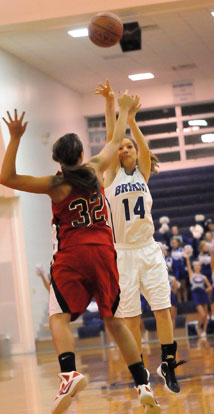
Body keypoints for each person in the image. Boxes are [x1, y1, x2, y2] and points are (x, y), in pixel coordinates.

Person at [0, 103, 161, 414]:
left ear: (58, 159)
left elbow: (6, 177)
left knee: (58, 317)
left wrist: (16, 137)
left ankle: (69, 374)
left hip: (73, 255)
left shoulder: (56, 184)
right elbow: (115, 140)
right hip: (104, 252)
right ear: (80, 153)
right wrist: (123, 108)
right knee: (114, 321)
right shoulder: (95, 169)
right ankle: (143, 383)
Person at [96, 80, 186, 394]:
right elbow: (111, 137)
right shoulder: (111, 175)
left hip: (148, 250)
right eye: (121, 147)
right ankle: (140, 376)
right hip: (122, 253)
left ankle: (168, 363)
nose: (125, 148)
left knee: (163, 309)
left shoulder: (143, 173)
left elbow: (142, 146)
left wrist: (132, 119)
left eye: (129, 145)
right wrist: (111, 105)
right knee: (131, 318)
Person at [186, 255, 212, 338]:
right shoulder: (192, 275)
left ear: (200, 267)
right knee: (202, 314)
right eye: (196, 265)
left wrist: (206, 290)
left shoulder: (204, 277)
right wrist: (187, 257)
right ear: (194, 267)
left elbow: (210, 287)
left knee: (205, 315)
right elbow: (188, 266)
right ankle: (198, 327)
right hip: (195, 294)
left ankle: (204, 331)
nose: (197, 267)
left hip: (203, 294)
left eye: (199, 265)